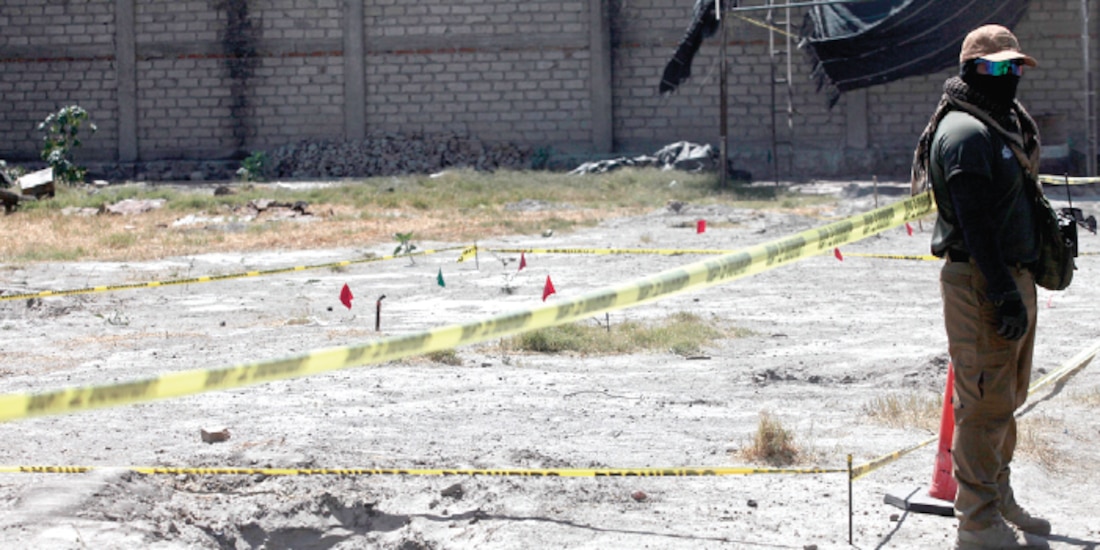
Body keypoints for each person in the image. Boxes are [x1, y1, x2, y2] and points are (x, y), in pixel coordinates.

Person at [910, 24, 1053, 550]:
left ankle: (997, 496)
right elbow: (974, 225)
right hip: (980, 280)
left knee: (1004, 400)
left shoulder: (1000, 124)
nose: (1009, 76)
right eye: (997, 67)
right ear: (972, 70)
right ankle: (976, 521)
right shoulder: (966, 133)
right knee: (983, 403)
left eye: (1015, 66)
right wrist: (1000, 291)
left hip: (1009, 276)